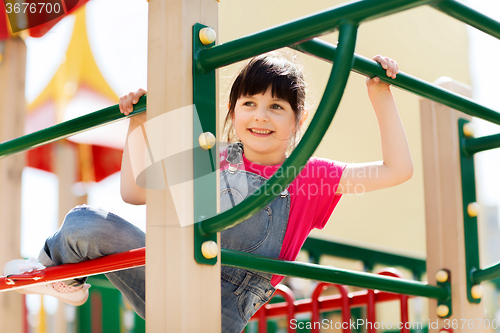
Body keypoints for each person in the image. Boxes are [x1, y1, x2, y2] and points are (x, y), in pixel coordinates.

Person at [3, 53, 412, 332]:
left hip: (222, 308)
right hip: (169, 277)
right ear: (233, 110)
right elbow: (133, 191)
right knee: (82, 221)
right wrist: (137, 123)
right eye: (249, 103)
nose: (260, 116)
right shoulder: (211, 155)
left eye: (276, 107)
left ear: (298, 118)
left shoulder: (307, 175)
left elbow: (397, 170)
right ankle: (58, 277)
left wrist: (380, 94)